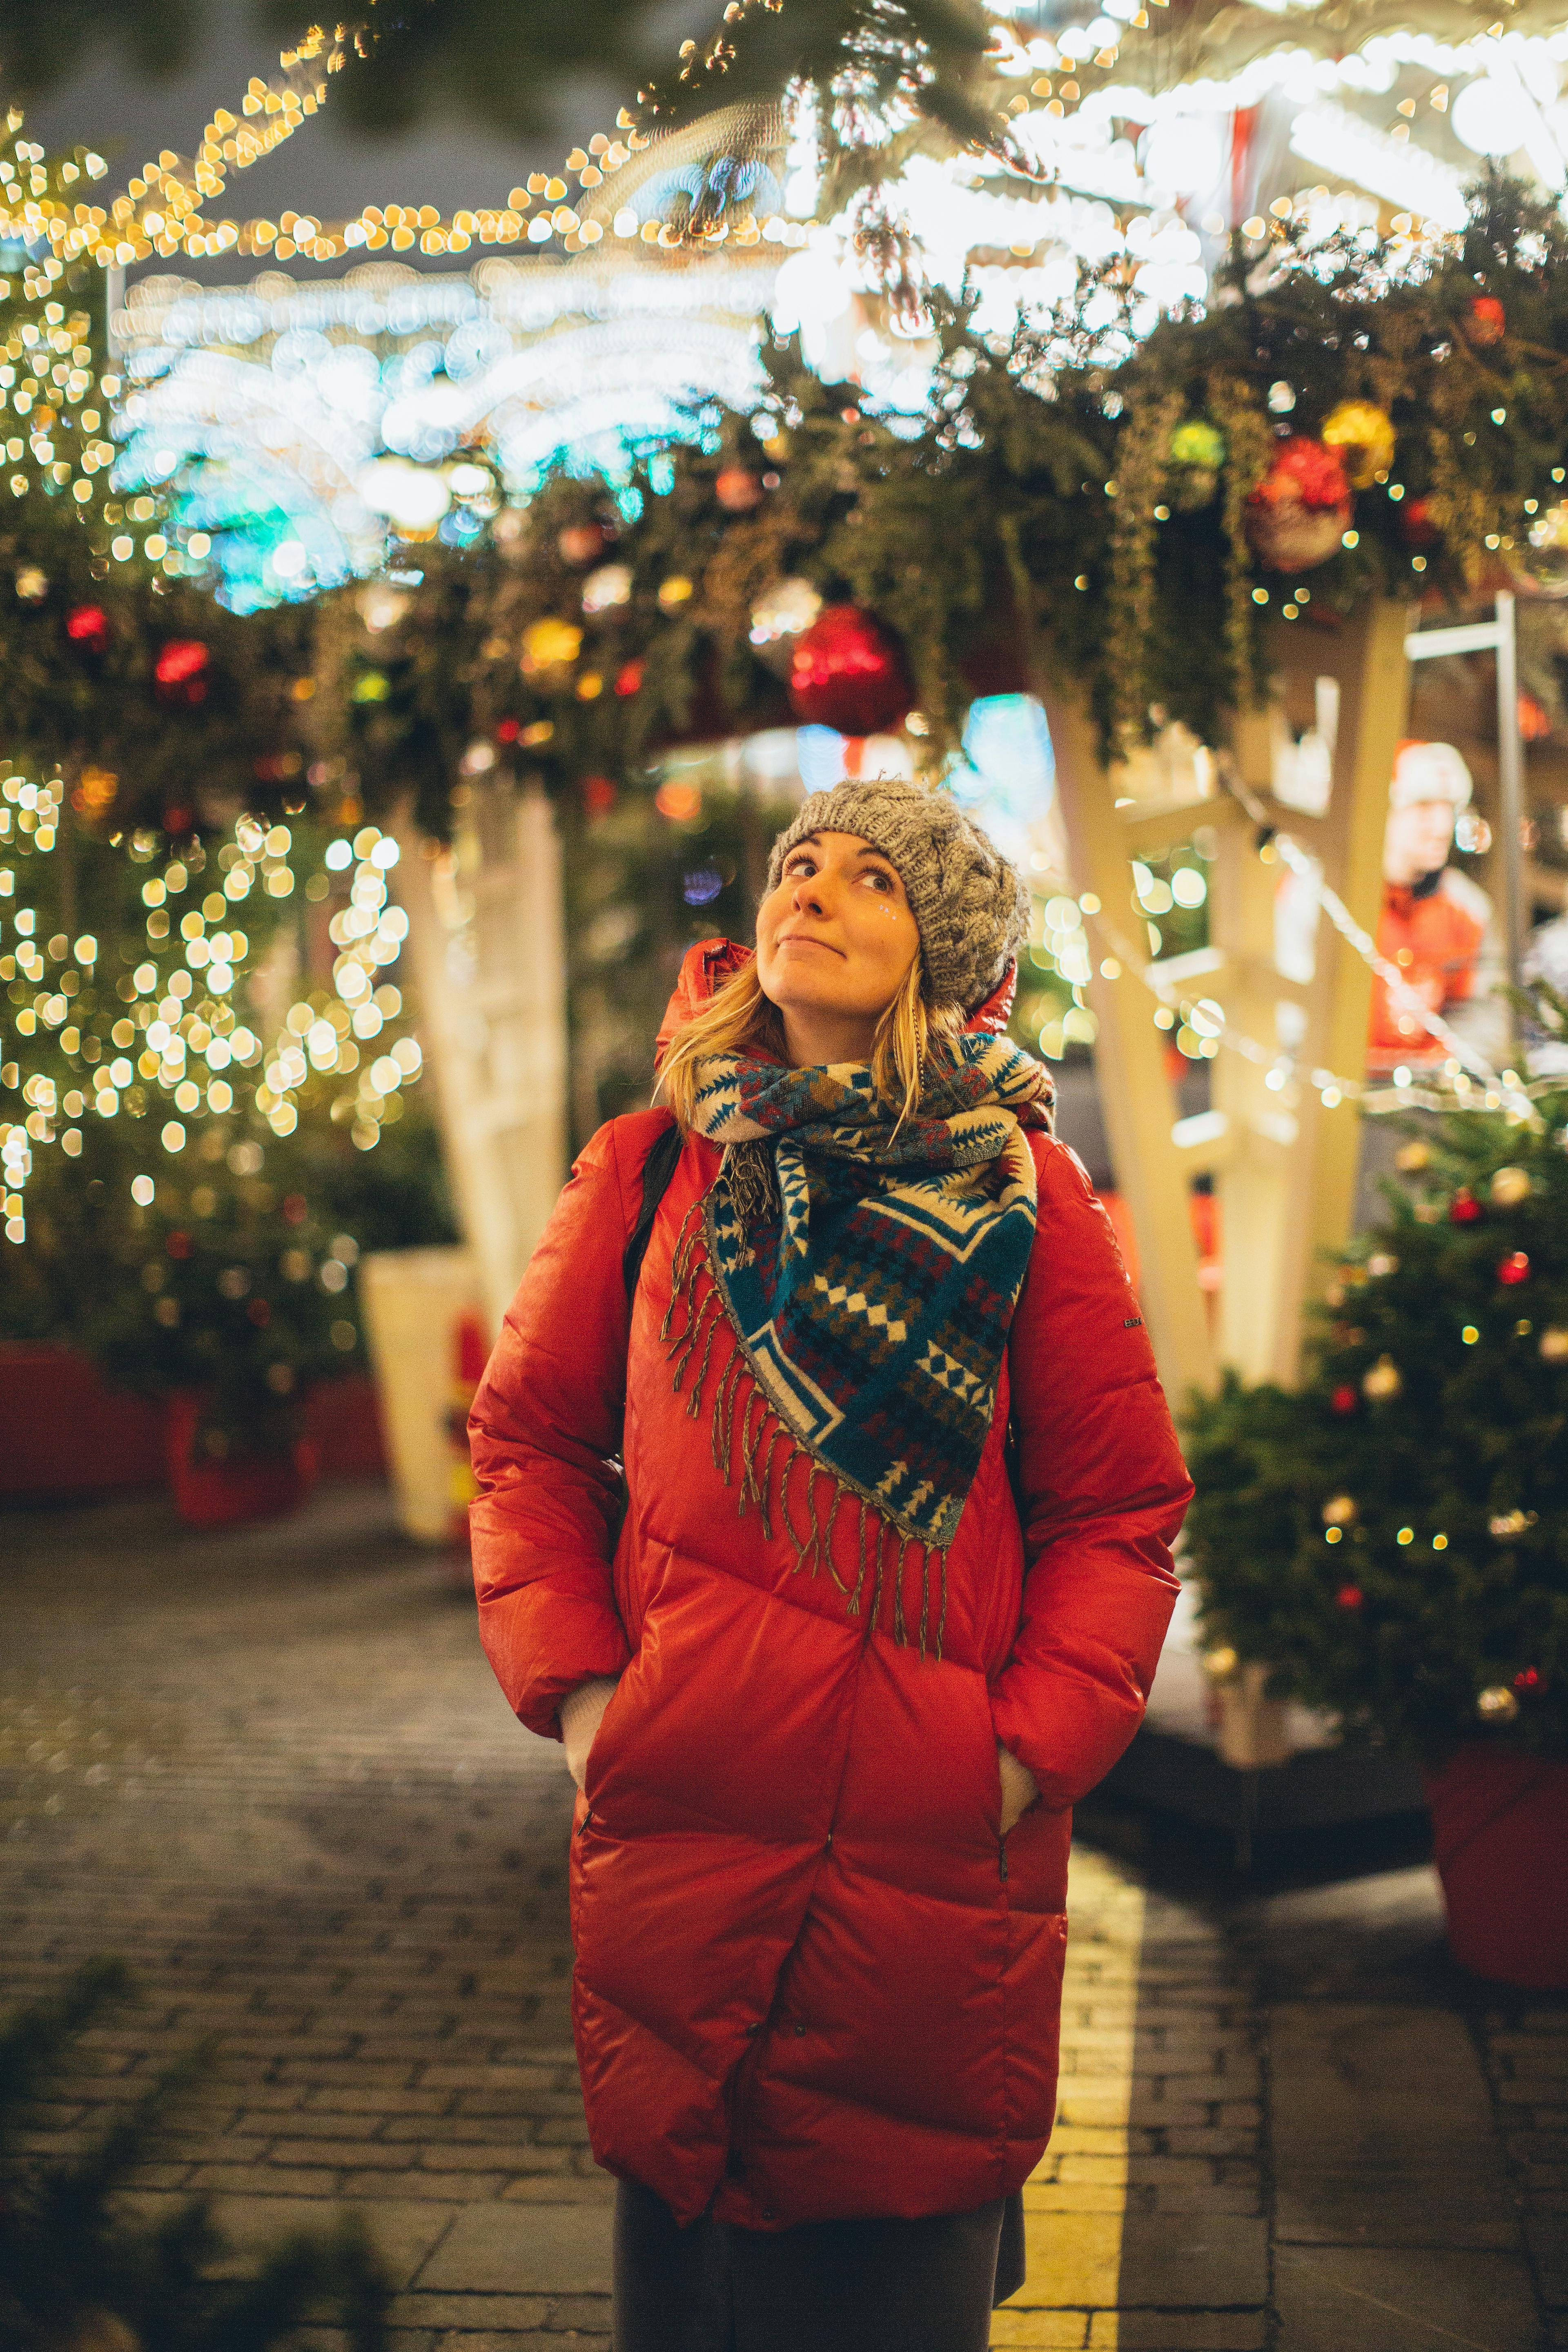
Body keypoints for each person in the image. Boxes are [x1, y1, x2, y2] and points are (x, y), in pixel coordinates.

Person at [468, 777, 1191, 2352]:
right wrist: (590, 1703)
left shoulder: (1027, 1195)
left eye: (873, 878)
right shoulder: (653, 1171)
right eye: (802, 863)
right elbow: (527, 1445)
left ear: (941, 948)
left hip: (926, 1853)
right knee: (694, 2270)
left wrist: (1014, 1759)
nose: (813, 890)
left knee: (893, 2279)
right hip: (687, 1811)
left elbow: (1116, 1511)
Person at [1367, 738, 1505, 1074]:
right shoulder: (1327, 898)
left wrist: (1437, 1068)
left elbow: (1487, 1013)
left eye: (1449, 809)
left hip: (1429, 1102)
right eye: (1424, 807)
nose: (1443, 827)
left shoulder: (1468, 910)